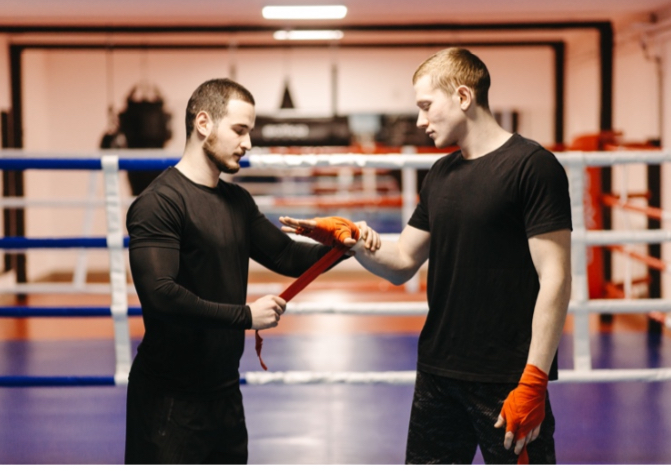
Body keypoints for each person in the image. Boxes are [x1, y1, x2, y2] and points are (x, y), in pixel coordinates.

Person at [281, 47, 572, 464]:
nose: (419, 121)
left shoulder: (532, 167)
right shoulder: (440, 175)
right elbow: (401, 261)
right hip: (438, 371)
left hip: (506, 378)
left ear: (463, 97)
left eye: (426, 106)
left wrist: (534, 379)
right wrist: (351, 240)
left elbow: (556, 278)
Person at [124, 78, 376, 464]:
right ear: (203, 123)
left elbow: (287, 256)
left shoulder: (236, 201)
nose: (248, 143)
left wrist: (347, 243)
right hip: (168, 400)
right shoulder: (159, 204)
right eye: (239, 130)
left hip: (224, 395)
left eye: (250, 132)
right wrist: (245, 316)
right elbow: (160, 294)